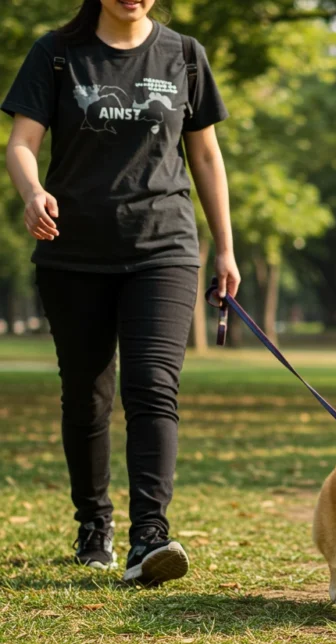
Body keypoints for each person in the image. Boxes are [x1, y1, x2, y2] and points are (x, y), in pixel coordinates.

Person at [2, 0, 240, 586]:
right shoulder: (56, 54)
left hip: (164, 247)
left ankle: (149, 538)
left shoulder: (183, 54)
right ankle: (93, 525)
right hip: (73, 251)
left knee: (153, 387)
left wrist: (227, 248)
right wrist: (32, 192)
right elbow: (21, 142)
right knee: (86, 394)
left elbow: (205, 154)